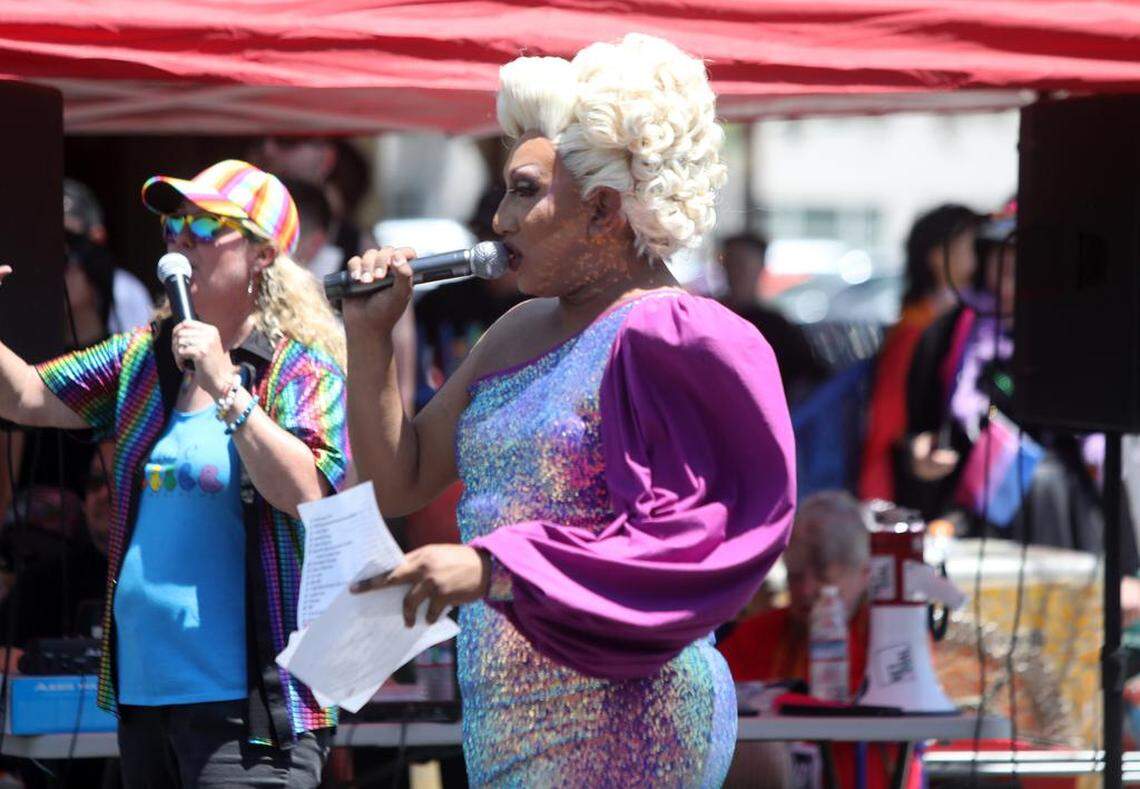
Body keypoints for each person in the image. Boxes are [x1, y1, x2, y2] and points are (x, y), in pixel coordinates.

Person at [343, 33, 796, 786]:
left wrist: (493, 566)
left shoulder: (669, 332)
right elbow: (402, 479)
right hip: (508, 717)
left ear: (603, 210)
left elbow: (687, 542)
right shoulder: (517, 329)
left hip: (630, 719)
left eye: (525, 190)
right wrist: (368, 340)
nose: (499, 220)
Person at [0, 160, 349, 788]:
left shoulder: (300, 372)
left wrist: (226, 388)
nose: (179, 237)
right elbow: (27, 396)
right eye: (172, 223)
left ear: (264, 253)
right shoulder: (143, 357)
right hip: (145, 700)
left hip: (249, 715)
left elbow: (307, 494)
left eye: (203, 225)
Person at [718, 491, 920, 789]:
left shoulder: (891, 637)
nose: (807, 590)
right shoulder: (753, 637)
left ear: (865, 573)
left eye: (825, 576)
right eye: (796, 577)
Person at [859, 204, 981, 503]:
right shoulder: (915, 328)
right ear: (938, 257)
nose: (981, 255)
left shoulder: (969, 318)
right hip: (912, 484)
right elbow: (888, 423)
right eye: (972, 245)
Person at [718, 231, 826, 402]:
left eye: (743, 265)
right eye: (730, 264)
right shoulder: (709, 318)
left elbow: (810, 375)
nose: (736, 272)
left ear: (760, 267)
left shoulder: (777, 327)